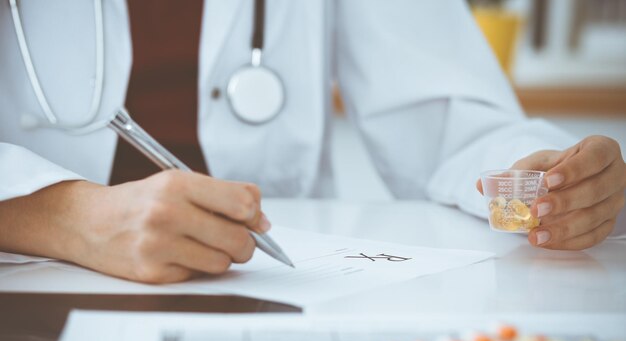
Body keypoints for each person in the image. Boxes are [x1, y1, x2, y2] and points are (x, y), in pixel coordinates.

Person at [0, 1, 624, 284]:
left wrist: (552, 182)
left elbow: (448, 119)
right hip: (35, 281)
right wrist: (68, 217)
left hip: (274, 282)